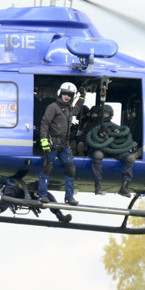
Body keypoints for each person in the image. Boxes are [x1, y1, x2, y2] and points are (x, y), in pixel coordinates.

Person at [38, 81, 85, 219]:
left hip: (64, 144)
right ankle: (42, 195)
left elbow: (77, 109)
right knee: (47, 167)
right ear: (60, 94)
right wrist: (44, 140)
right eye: (65, 94)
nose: (67, 97)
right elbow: (45, 123)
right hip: (53, 142)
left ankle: (69, 197)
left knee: (71, 169)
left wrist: (82, 97)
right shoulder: (53, 107)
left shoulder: (69, 108)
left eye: (69, 95)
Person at [76, 104, 136, 197]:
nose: (104, 116)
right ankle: (97, 184)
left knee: (130, 158)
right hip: (98, 150)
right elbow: (88, 138)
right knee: (98, 156)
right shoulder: (92, 125)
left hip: (113, 150)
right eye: (102, 113)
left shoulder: (114, 127)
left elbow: (121, 140)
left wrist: (117, 133)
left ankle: (124, 187)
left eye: (106, 114)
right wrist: (101, 134)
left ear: (110, 115)